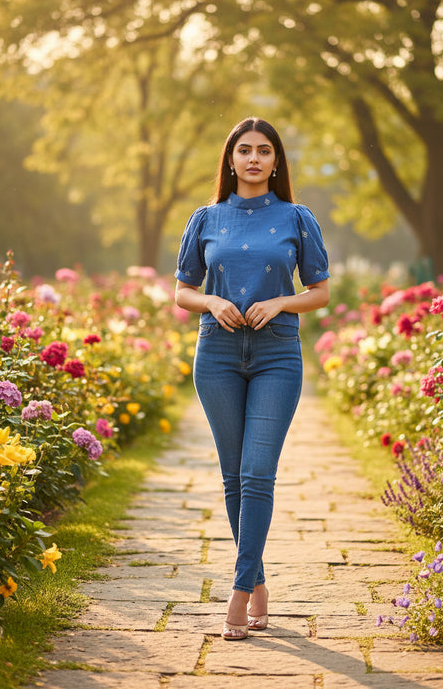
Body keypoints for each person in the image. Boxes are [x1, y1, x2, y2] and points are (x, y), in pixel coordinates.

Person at [174, 117, 330, 640]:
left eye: (264, 151)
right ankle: (259, 583)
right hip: (216, 354)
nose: (254, 159)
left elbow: (320, 292)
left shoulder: (296, 218)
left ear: (277, 161)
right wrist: (211, 301)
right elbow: (183, 290)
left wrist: (282, 301)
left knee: (257, 473)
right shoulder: (205, 218)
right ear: (231, 159)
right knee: (234, 478)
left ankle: (238, 594)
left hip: (276, 355)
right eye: (245, 150)